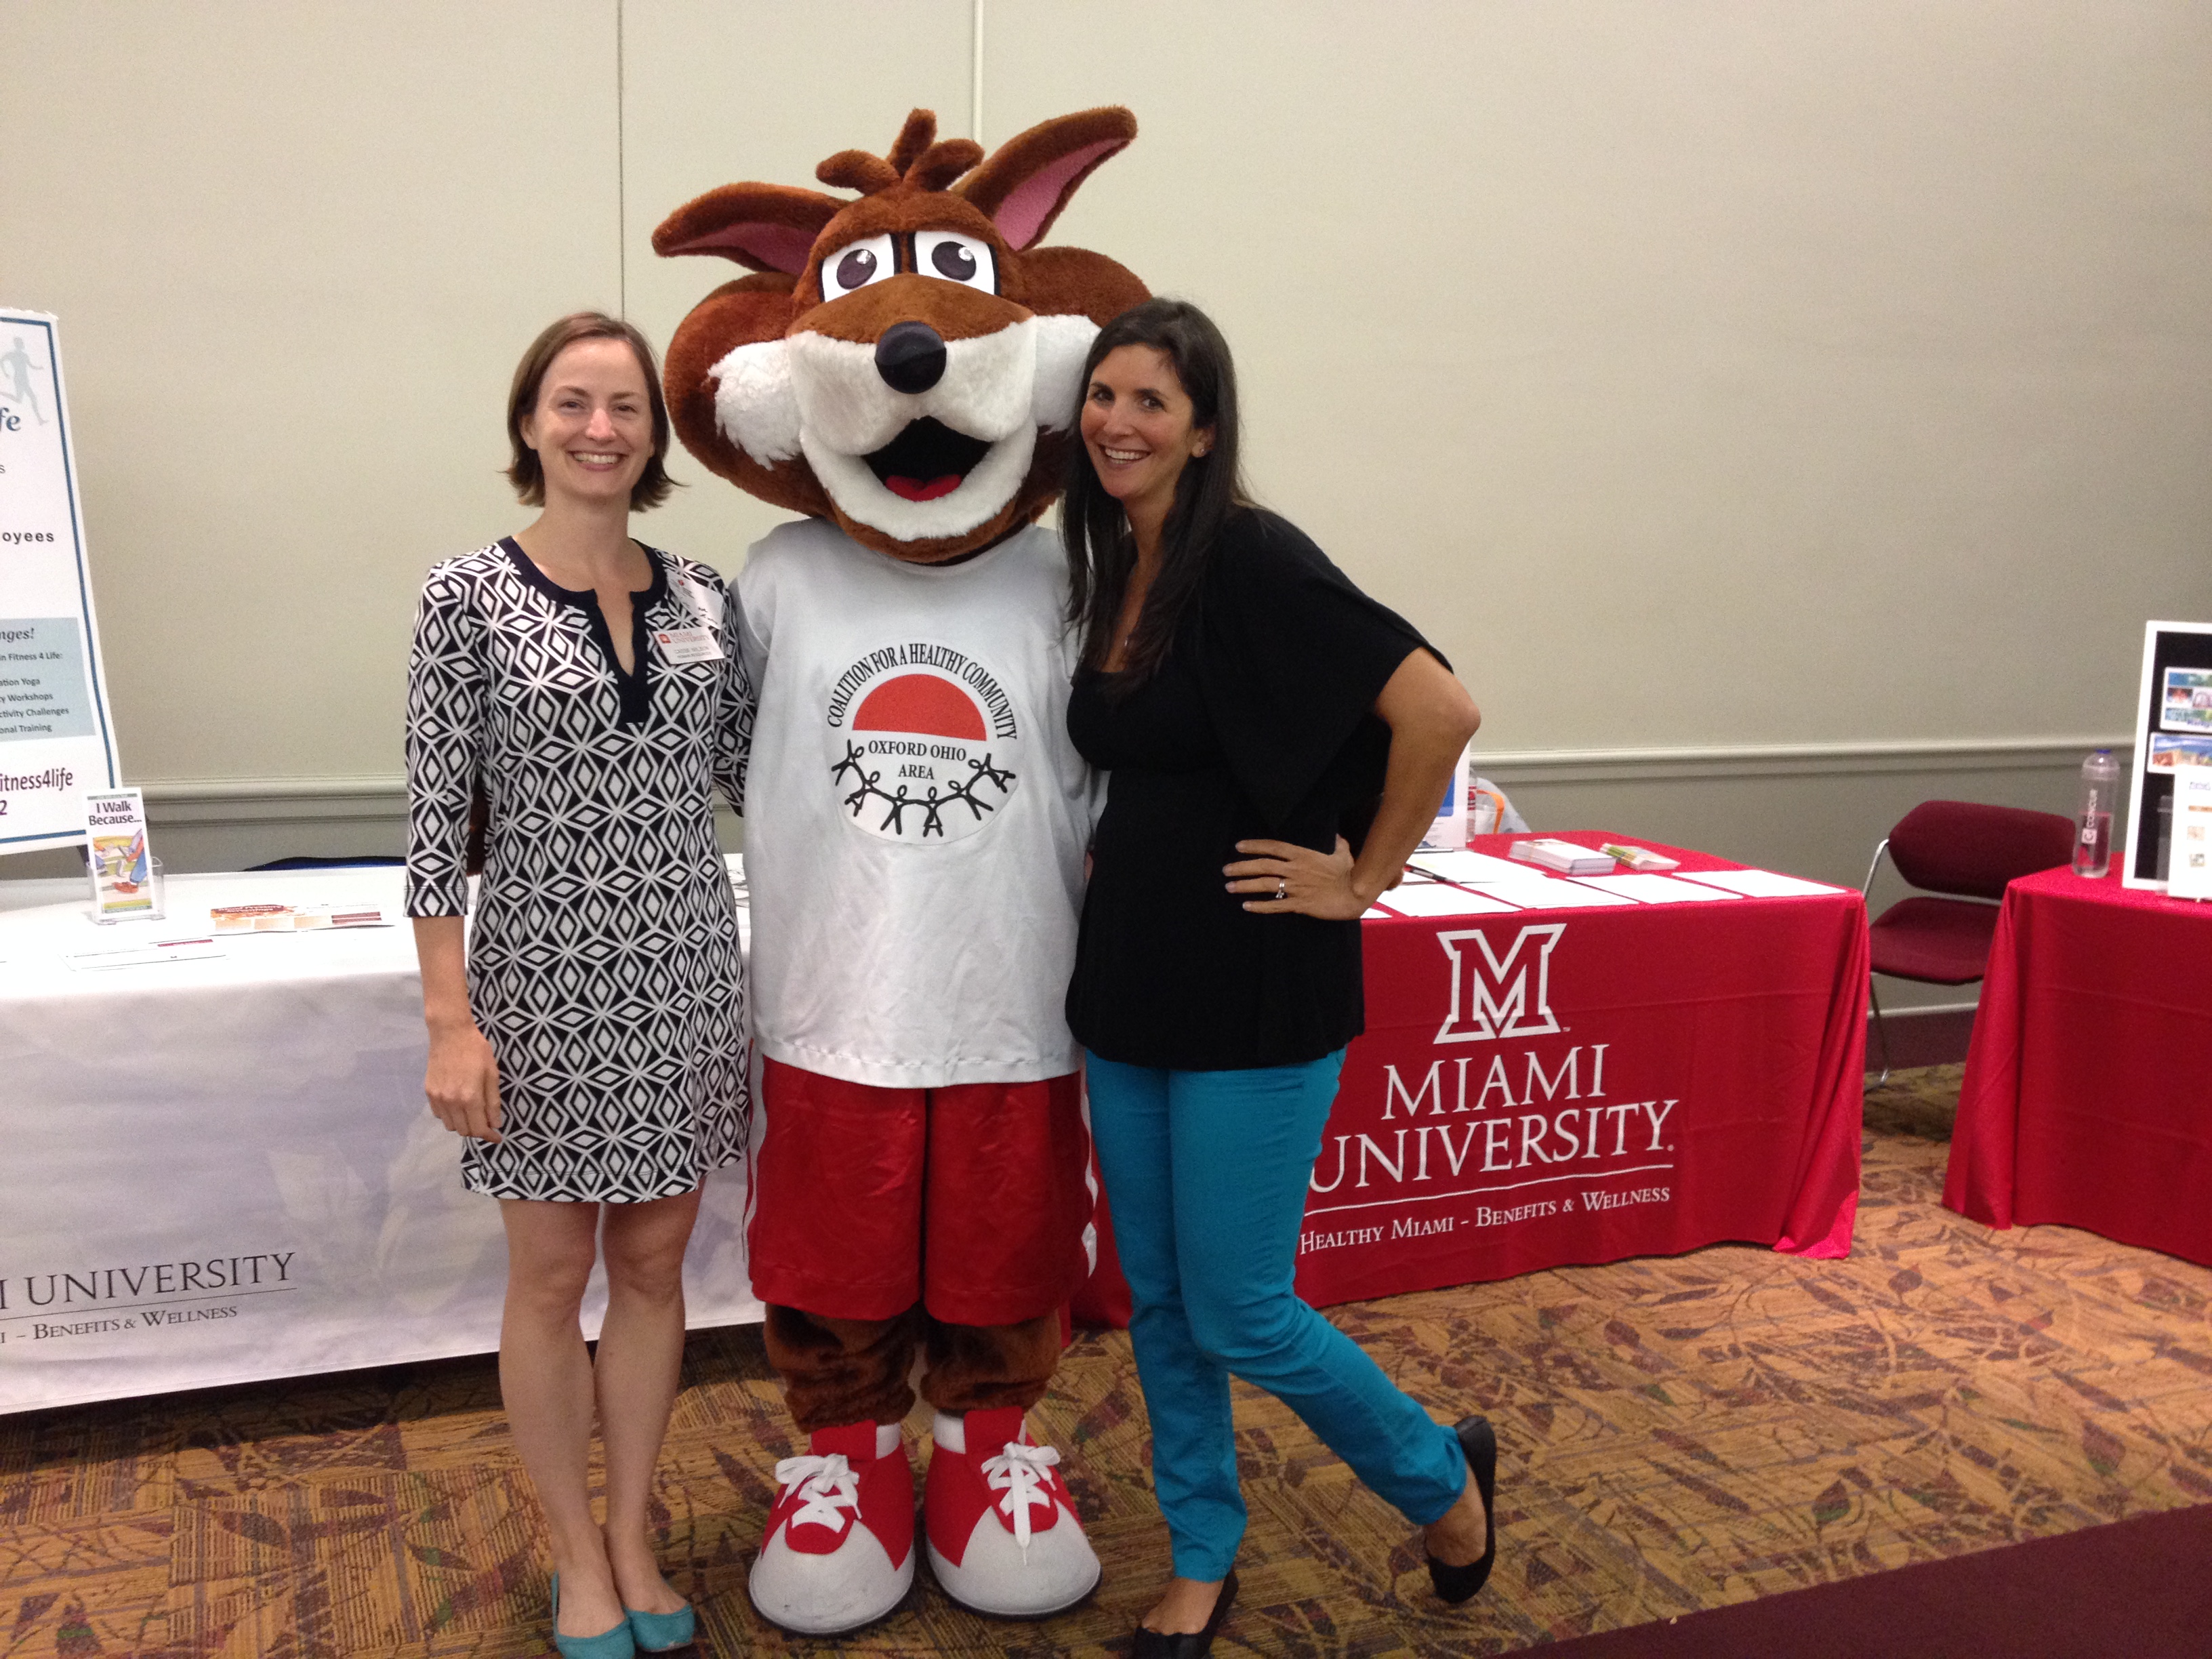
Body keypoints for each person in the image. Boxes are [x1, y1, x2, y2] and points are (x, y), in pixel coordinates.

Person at [1061, 298, 1496, 1655]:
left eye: (1149, 402)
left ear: (1202, 427)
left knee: (1243, 1301)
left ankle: (1442, 1480)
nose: (1118, 424)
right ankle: (1205, 1550)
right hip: (1132, 979)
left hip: (1258, 983)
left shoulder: (1249, 555)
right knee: (1168, 1302)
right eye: (1103, 396)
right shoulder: (1110, 561)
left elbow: (1440, 708)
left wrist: (1363, 879)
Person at [405, 312, 752, 1659]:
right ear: (529, 423)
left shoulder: (710, 596)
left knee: (657, 1267)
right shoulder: (465, 597)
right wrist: (450, 1023)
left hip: (681, 982)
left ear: (657, 436)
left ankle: (634, 1533)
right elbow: (435, 828)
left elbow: (750, 780)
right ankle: (573, 1554)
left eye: (624, 406)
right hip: (538, 990)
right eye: (572, 402)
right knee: (551, 1279)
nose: (598, 427)